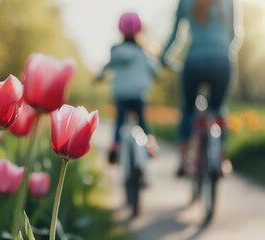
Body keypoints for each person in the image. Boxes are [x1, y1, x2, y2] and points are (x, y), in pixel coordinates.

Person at [159, 0, 243, 177]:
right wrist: (224, 53)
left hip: (193, 61)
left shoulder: (185, 2)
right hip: (222, 61)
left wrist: (163, 57)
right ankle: (221, 160)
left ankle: (183, 160)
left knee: (189, 109)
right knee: (218, 109)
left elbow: (176, 37)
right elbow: (235, 35)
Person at [96, 12, 160, 164]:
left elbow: (107, 68)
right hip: (139, 94)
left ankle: (116, 147)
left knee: (119, 122)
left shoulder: (116, 51)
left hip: (122, 94)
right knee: (143, 122)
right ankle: (150, 145)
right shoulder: (144, 52)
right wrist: (157, 76)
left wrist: (98, 77)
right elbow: (154, 69)